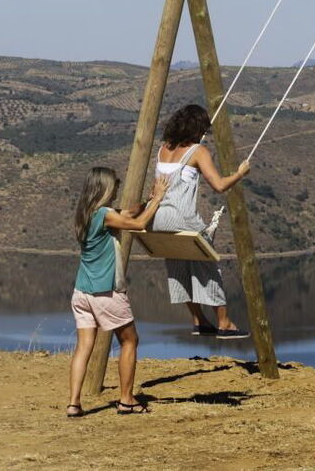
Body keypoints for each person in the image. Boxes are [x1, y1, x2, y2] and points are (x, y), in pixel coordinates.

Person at [67, 167, 169, 418]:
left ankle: (73, 404)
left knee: (83, 347)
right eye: (113, 188)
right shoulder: (104, 214)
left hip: (82, 292)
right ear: (104, 189)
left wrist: (146, 199)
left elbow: (128, 213)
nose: (115, 193)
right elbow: (137, 223)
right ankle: (126, 400)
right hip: (106, 292)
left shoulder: (86, 213)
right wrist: (158, 199)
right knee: (129, 340)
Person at [153, 104, 250, 339]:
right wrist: (240, 173)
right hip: (182, 218)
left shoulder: (163, 149)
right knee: (208, 267)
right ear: (198, 128)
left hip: (158, 218)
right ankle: (224, 323)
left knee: (178, 269)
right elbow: (218, 186)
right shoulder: (198, 151)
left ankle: (199, 319)